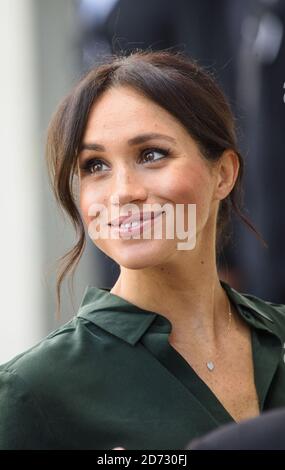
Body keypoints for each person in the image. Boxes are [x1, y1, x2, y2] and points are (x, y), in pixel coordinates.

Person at [1, 50, 285, 450]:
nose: (123, 193)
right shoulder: (31, 391)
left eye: (152, 155)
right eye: (95, 166)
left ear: (222, 174)